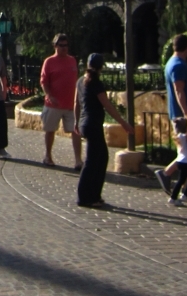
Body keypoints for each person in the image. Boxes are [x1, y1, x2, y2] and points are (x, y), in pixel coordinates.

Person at [76, 53, 131, 208]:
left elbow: (76, 103)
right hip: (93, 124)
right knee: (92, 161)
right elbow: (107, 106)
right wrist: (123, 123)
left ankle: (95, 194)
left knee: (102, 158)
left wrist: (76, 122)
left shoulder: (80, 81)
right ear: (101, 67)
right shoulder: (95, 83)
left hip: (85, 123)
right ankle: (84, 197)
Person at [157, 33, 187, 195]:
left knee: (186, 151)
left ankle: (183, 183)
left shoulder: (172, 63)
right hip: (183, 115)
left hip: (178, 113)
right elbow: (179, 90)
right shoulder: (178, 65)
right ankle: (169, 175)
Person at [40, 34, 82, 170]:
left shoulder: (72, 60)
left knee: (76, 131)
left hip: (71, 104)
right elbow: (44, 82)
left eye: (66, 45)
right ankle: (48, 156)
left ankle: (78, 160)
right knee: (50, 130)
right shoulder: (49, 62)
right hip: (54, 104)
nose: (64, 48)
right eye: (61, 45)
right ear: (55, 46)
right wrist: (49, 95)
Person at [166, 117, 187, 206]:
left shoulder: (179, 136)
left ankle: (185, 195)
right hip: (185, 162)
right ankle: (173, 198)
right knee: (181, 181)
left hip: (182, 161)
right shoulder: (182, 136)